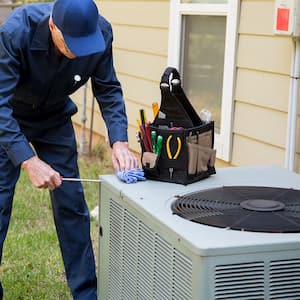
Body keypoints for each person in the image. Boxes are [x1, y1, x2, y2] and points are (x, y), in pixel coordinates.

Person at [0, 0, 138, 299]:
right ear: (53, 25)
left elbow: (108, 88)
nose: (77, 51)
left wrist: (119, 141)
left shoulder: (101, 33)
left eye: (83, 43)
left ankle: (86, 294)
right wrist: (28, 159)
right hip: (9, 115)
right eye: (70, 43)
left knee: (72, 205)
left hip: (53, 117)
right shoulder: (16, 31)